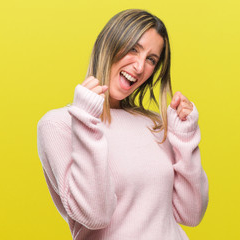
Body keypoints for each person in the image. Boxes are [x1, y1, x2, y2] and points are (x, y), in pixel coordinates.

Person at [37, 9, 208, 240]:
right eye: (133, 49)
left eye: (151, 59)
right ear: (109, 45)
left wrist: (185, 137)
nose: (139, 67)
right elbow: (95, 215)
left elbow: (191, 213)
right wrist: (87, 121)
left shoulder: (154, 124)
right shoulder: (59, 124)